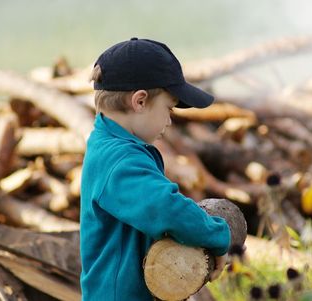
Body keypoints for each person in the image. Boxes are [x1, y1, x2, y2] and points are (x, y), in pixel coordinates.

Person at [80, 38, 231, 301]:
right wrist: (218, 236)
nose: (169, 120)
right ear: (139, 101)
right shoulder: (120, 161)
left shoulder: (110, 147)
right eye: (168, 108)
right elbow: (164, 208)